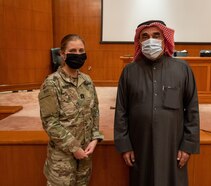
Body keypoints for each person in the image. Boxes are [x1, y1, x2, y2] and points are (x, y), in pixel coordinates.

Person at [114, 20, 200, 186]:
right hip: (140, 147)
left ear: (164, 39)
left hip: (173, 147)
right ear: (139, 41)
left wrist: (188, 146)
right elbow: (121, 111)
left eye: (156, 35)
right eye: (144, 36)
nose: (150, 40)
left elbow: (192, 110)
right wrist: (125, 146)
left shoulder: (182, 69)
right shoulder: (129, 71)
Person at [38, 34, 104, 186]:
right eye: (73, 51)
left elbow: (94, 111)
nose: (78, 54)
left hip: (85, 158)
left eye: (81, 50)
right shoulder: (52, 83)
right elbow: (50, 123)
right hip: (62, 162)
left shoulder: (87, 81)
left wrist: (95, 138)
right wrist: (74, 148)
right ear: (62, 54)